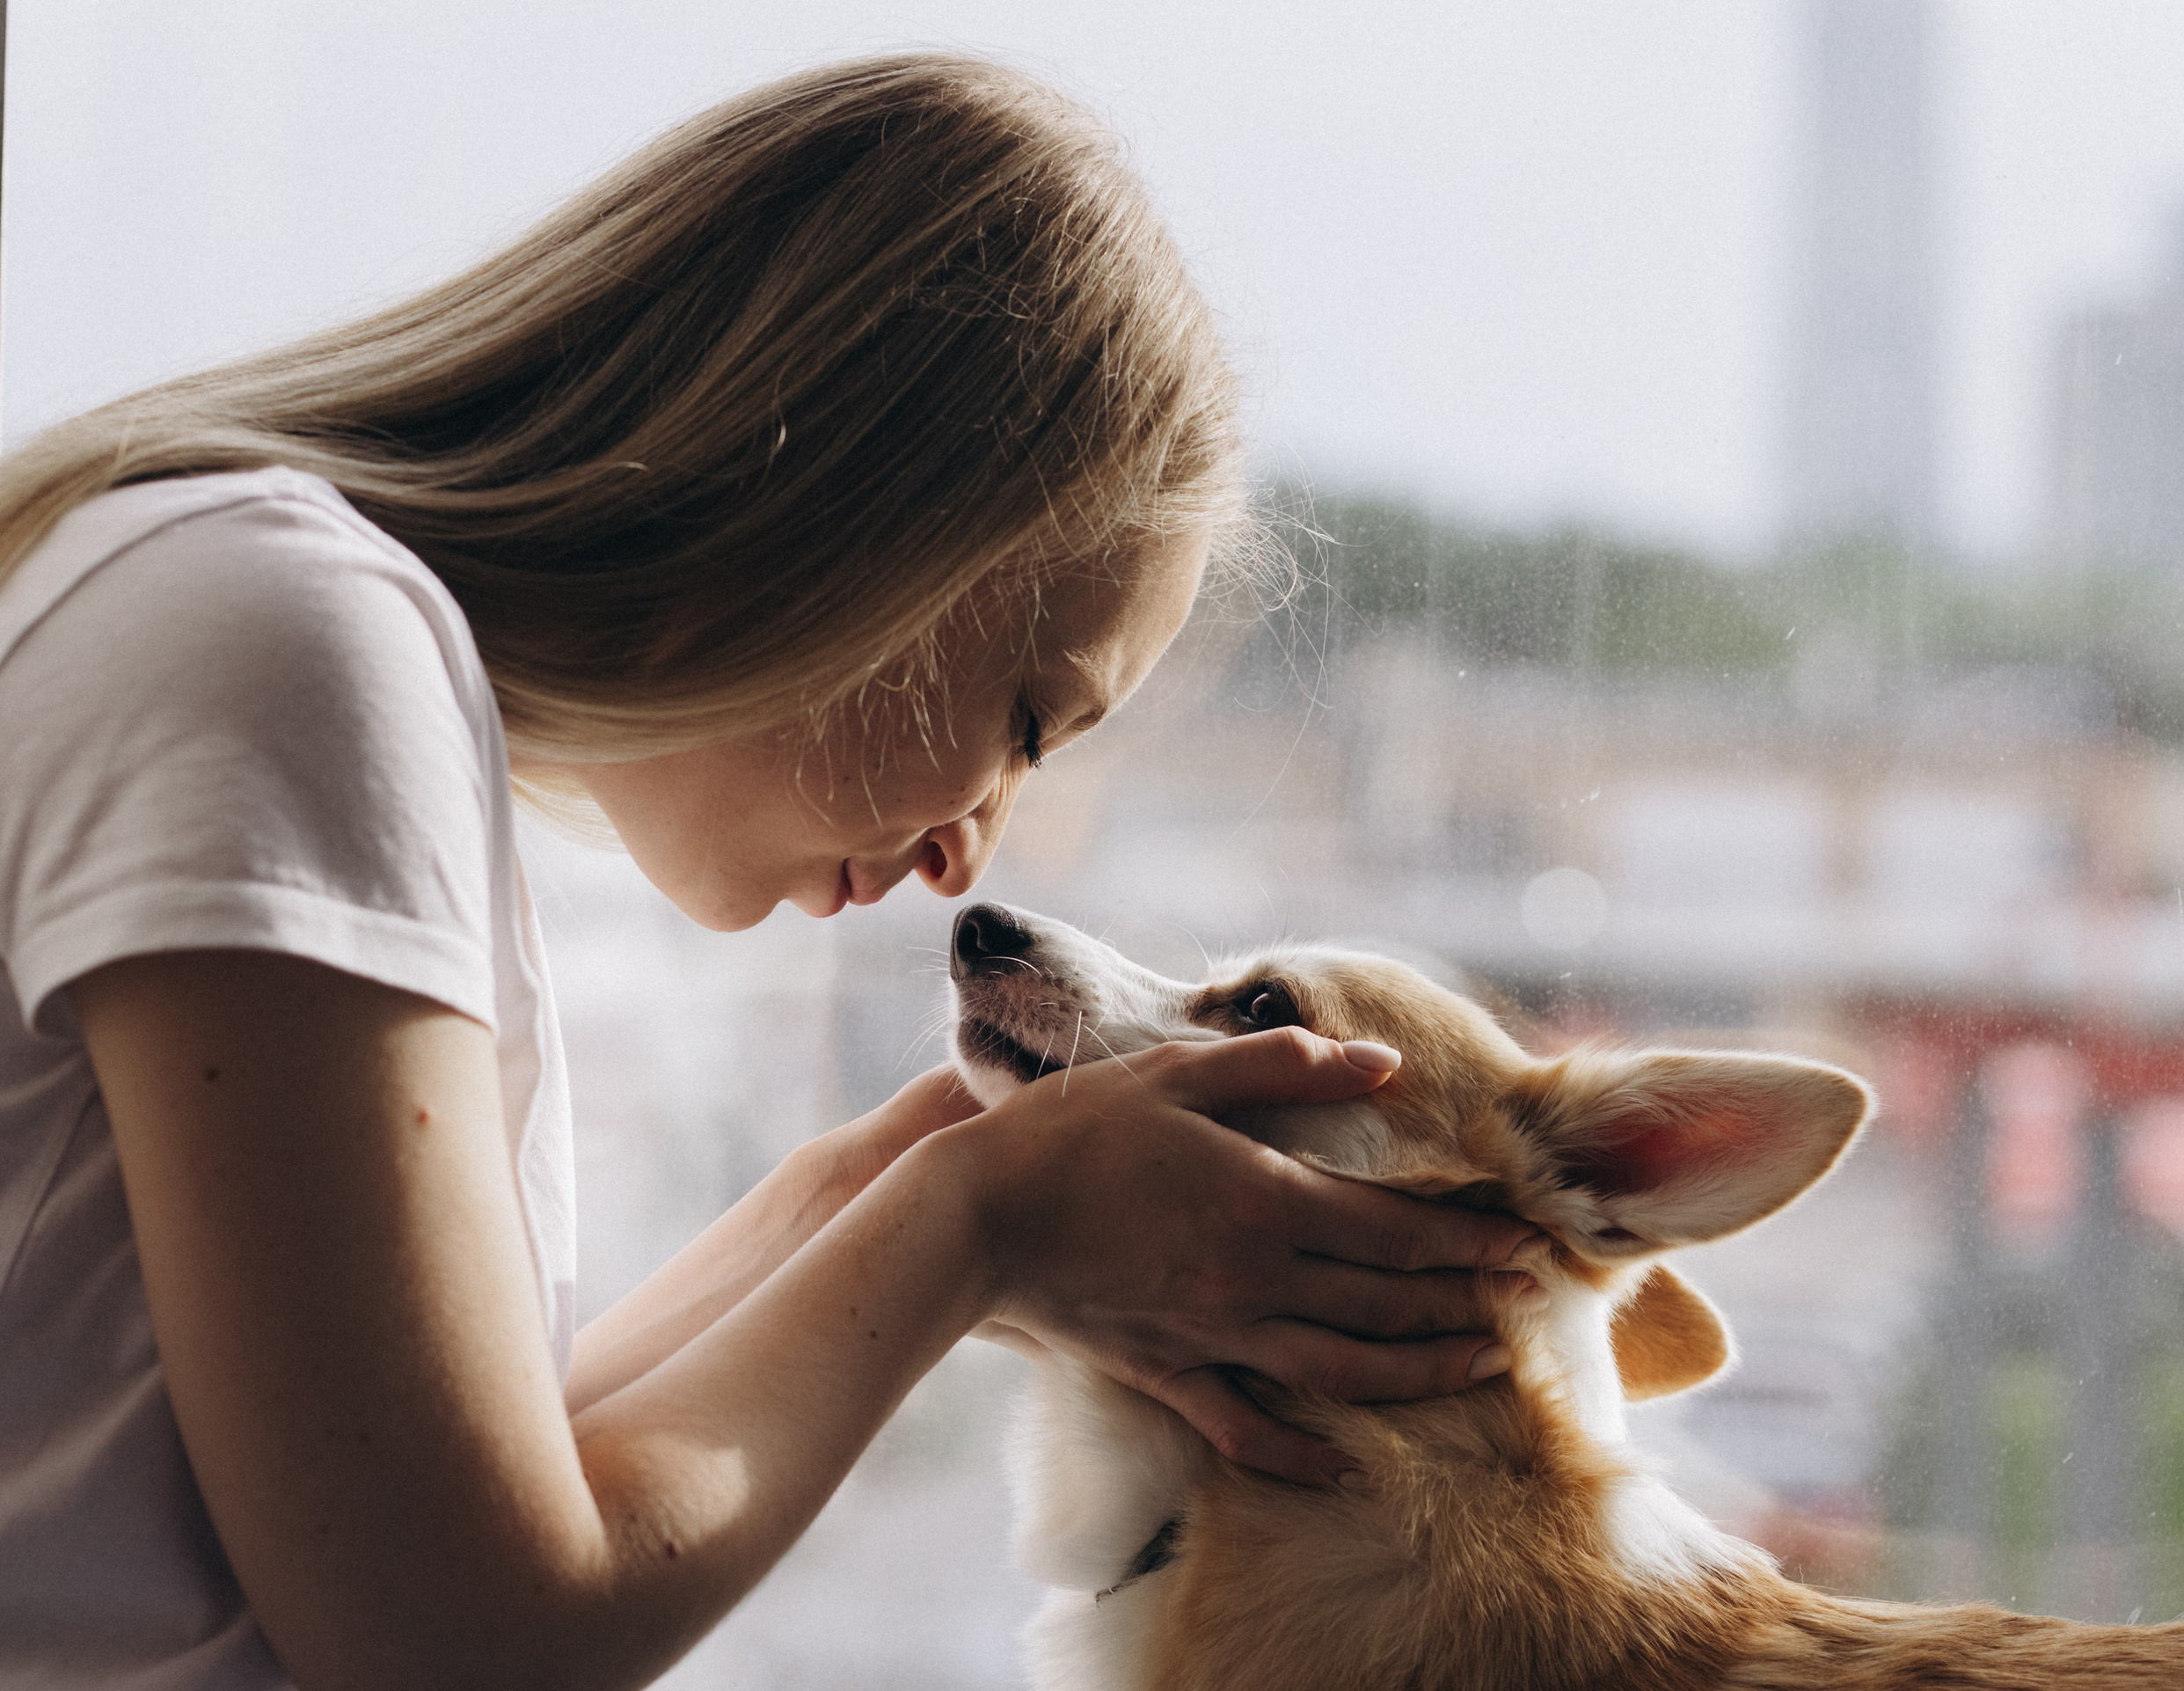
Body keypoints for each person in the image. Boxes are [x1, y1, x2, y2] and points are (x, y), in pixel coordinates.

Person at [0, 54, 1531, 1691]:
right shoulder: (292, 647)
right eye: (1023, 719)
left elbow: (397, 1491)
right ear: (862, 521)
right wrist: (981, 1222)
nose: (970, 855)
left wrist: (866, 1194)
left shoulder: (302, 646)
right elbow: (454, 1636)